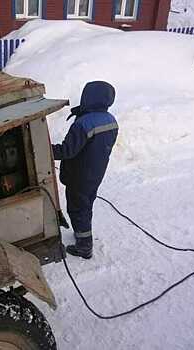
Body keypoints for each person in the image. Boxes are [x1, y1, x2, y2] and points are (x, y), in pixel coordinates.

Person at [52, 81, 118, 259]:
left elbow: (67, 151)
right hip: (95, 173)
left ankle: (84, 246)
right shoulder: (111, 121)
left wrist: (46, 149)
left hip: (79, 176)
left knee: (77, 209)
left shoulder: (83, 124)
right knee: (86, 204)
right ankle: (83, 232)